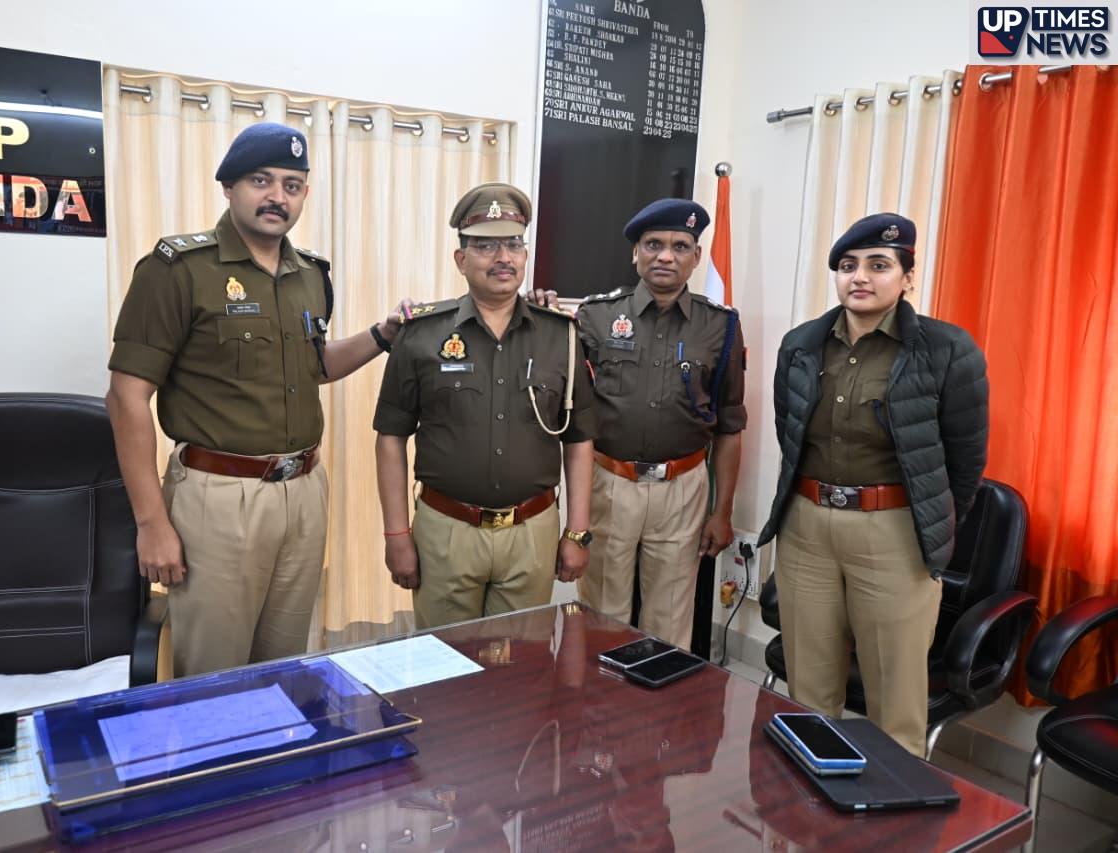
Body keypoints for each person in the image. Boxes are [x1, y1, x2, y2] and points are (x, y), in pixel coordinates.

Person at [106, 122, 408, 677]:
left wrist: (381, 336)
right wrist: (151, 522)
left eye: (291, 186)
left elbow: (313, 367)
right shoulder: (178, 270)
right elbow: (127, 398)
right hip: (218, 496)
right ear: (229, 186)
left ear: (305, 194)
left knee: (283, 663)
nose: (277, 197)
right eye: (261, 181)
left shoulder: (310, 275)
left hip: (303, 491)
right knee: (213, 670)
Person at [757, 212, 989, 757]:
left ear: (907, 277)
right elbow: (790, 432)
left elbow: (966, 461)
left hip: (896, 535)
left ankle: (894, 804)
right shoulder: (801, 345)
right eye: (848, 265)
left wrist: (929, 523)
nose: (860, 276)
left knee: (895, 701)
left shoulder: (947, 350)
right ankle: (811, 801)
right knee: (809, 693)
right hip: (806, 529)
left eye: (879, 265)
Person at [373, 183, 596, 630]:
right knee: (444, 660)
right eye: (486, 246)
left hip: (532, 531)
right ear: (461, 259)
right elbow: (391, 437)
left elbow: (579, 440)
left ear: (525, 255)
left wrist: (577, 531)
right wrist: (397, 534)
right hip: (446, 531)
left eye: (513, 244)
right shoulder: (421, 333)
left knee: (523, 660)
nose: (503, 257)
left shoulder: (562, 335)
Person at [569, 198, 746, 648]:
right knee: (602, 616)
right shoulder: (596, 316)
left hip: (683, 488)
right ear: (636, 253)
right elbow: (571, 413)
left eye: (680, 246)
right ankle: (599, 694)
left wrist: (722, 513)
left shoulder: (720, 326)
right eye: (653, 244)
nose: (666, 256)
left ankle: (659, 695)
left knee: (669, 622)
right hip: (610, 482)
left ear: (696, 257)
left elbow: (729, 425)